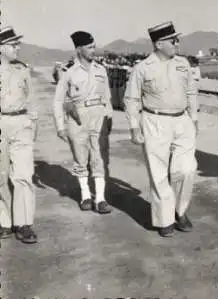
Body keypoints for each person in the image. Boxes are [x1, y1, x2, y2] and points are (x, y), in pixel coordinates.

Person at [124, 21, 198, 238]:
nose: (177, 43)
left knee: (186, 169)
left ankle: (179, 210)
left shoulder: (183, 63)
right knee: (158, 173)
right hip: (154, 121)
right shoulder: (142, 68)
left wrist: (194, 119)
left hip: (182, 120)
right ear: (158, 44)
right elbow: (131, 99)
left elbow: (192, 92)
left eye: (177, 39)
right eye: (172, 40)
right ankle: (165, 220)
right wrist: (133, 127)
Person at [53, 31, 113, 214]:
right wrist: (60, 126)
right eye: (89, 47)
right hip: (77, 118)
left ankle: (101, 199)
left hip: (98, 115)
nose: (93, 50)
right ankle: (86, 195)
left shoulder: (101, 70)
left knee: (99, 157)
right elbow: (58, 100)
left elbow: (107, 97)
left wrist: (109, 117)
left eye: (94, 46)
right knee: (80, 158)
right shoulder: (68, 72)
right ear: (79, 49)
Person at [0, 26, 38, 243]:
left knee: (23, 175)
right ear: (1, 47)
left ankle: (23, 224)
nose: (18, 47)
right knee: (1, 175)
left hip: (21, 122)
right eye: (13, 44)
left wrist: (33, 123)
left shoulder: (23, 69)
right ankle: (5, 221)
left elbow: (31, 98)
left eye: (17, 44)